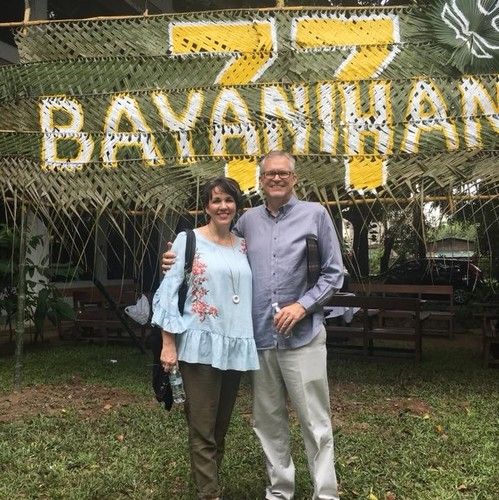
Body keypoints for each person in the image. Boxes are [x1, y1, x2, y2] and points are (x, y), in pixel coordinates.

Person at [163, 151, 344, 500]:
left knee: (315, 421)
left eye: (283, 173)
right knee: (268, 421)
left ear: (294, 178)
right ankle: (279, 491)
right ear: (260, 181)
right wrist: (174, 258)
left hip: (303, 337)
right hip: (259, 340)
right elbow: (216, 250)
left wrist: (302, 306)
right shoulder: (246, 222)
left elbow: (334, 274)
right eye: (270, 173)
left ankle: (325, 494)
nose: (276, 178)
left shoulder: (315, 215)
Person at [152, 176, 259, 500]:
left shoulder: (244, 245)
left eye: (229, 200)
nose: (223, 206)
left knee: (219, 427)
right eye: (216, 200)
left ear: (237, 206)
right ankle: (209, 493)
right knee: (202, 427)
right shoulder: (188, 240)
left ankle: (206, 484)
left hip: (235, 344)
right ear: (206, 207)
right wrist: (168, 344)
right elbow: (168, 292)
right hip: (199, 344)